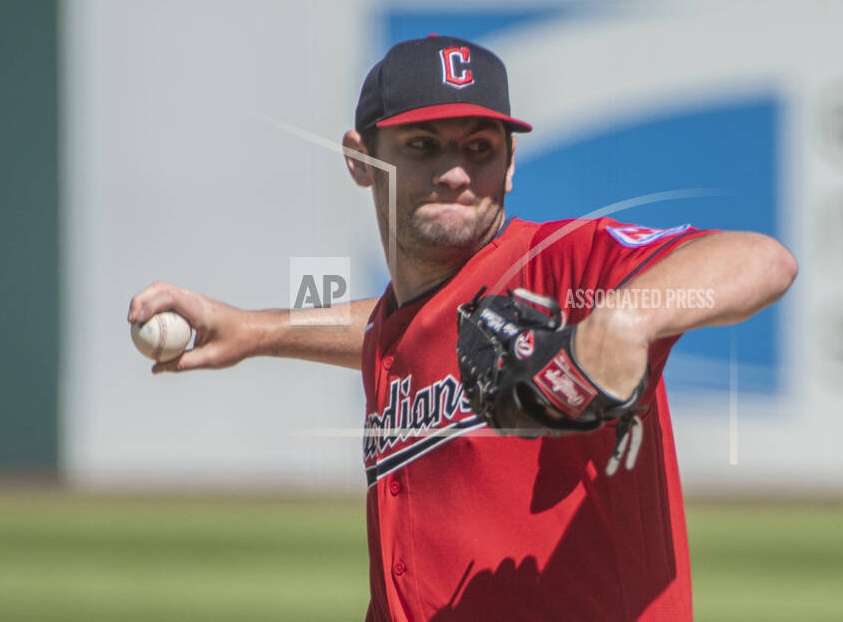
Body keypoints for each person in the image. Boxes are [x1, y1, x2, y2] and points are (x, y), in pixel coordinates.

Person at [128, 34, 797, 621]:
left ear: (509, 164)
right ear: (360, 158)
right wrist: (260, 329)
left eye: (480, 148)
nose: (455, 173)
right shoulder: (397, 327)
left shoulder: (563, 268)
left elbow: (762, 260)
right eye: (423, 146)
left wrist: (626, 318)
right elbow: (404, 326)